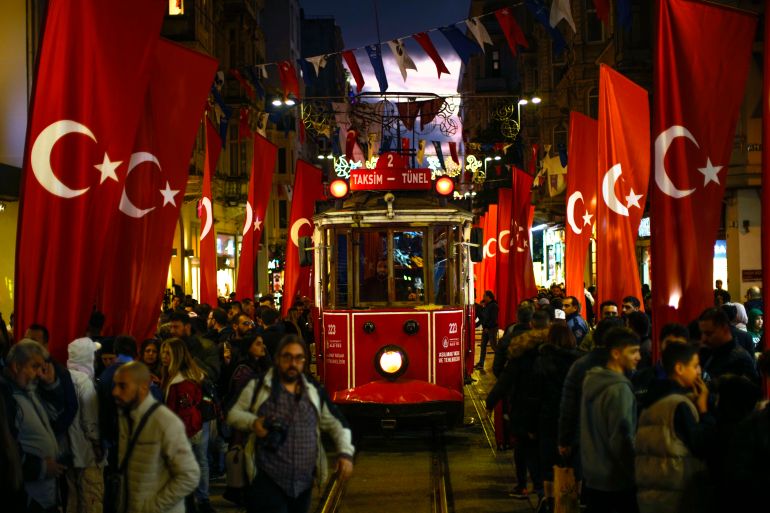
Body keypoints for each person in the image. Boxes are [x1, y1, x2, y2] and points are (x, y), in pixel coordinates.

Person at [227, 335, 354, 513]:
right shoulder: (258, 386)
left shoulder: (313, 390)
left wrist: (345, 453)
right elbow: (233, 414)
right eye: (287, 357)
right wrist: (253, 422)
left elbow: (336, 423)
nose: (293, 363)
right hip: (268, 478)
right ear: (278, 358)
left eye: (299, 358)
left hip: (303, 480)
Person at [635, 343, 714, 513]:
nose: (698, 371)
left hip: (651, 492)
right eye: (694, 365)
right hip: (676, 495)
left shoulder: (650, 397)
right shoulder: (679, 405)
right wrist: (704, 411)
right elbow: (701, 444)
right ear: (679, 368)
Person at [112, 362, 199, 513]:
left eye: (123, 386)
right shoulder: (125, 416)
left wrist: (152, 508)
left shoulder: (165, 422)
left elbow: (189, 476)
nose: (115, 392)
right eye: (116, 385)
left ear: (143, 387)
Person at [0, 340, 66, 512]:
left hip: (44, 493)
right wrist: (42, 468)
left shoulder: (29, 390)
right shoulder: (6, 397)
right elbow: (7, 452)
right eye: (34, 366)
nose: (38, 373)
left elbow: (55, 416)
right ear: (16, 366)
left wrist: (50, 384)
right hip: (27, 497)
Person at [580, 327, 641, 513]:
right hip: (616, 480)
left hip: (593, 475)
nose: (638, 357)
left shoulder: (592, 380)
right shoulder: (619, 389)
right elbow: (621, 438)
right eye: (633, 352)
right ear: (616, 353)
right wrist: (635, 471)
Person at [526, 323, 581, 513]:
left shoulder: (542, 361)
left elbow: (534, 396)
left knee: (548, 464)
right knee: (572, 464)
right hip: (573, 420)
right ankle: (570, 502)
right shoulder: (579, 362)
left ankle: (549, 503)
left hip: (548, 419)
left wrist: (531, 426)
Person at [159, 338, 213, 513]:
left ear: (177, 355)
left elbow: (184, 412)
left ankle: (196, 503)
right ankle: (201, 501)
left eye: (168, 353)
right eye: (163, 352)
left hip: (186, 430)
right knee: (199, 463)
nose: (163, 356)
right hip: (194, 427)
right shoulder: (179, 375)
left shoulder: (181, 381)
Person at [66, 337, 105, 513]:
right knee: (92, 499)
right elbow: (90, 420)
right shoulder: (84, 382)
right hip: (87, 452)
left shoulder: (65, 377)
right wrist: (97, 445)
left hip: (68, 452)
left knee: (72, 499)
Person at [698, 307, 757, 384]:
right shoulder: (709, 352)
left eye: (709, 334)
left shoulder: (740, 359)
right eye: (702, 333)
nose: (703, 339)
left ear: (724, 328)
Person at [475, 290, 499, 370]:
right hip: (486, 328)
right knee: (483, 346)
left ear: (489, 297)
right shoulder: (487, 305)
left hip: (491, 329)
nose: (483, 297)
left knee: (494, 346)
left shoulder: (494, 306)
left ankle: (500, 361)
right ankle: (481, 363)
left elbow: (493, 319)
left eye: (484, 296)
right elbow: (484, 317)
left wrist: (487, 327)